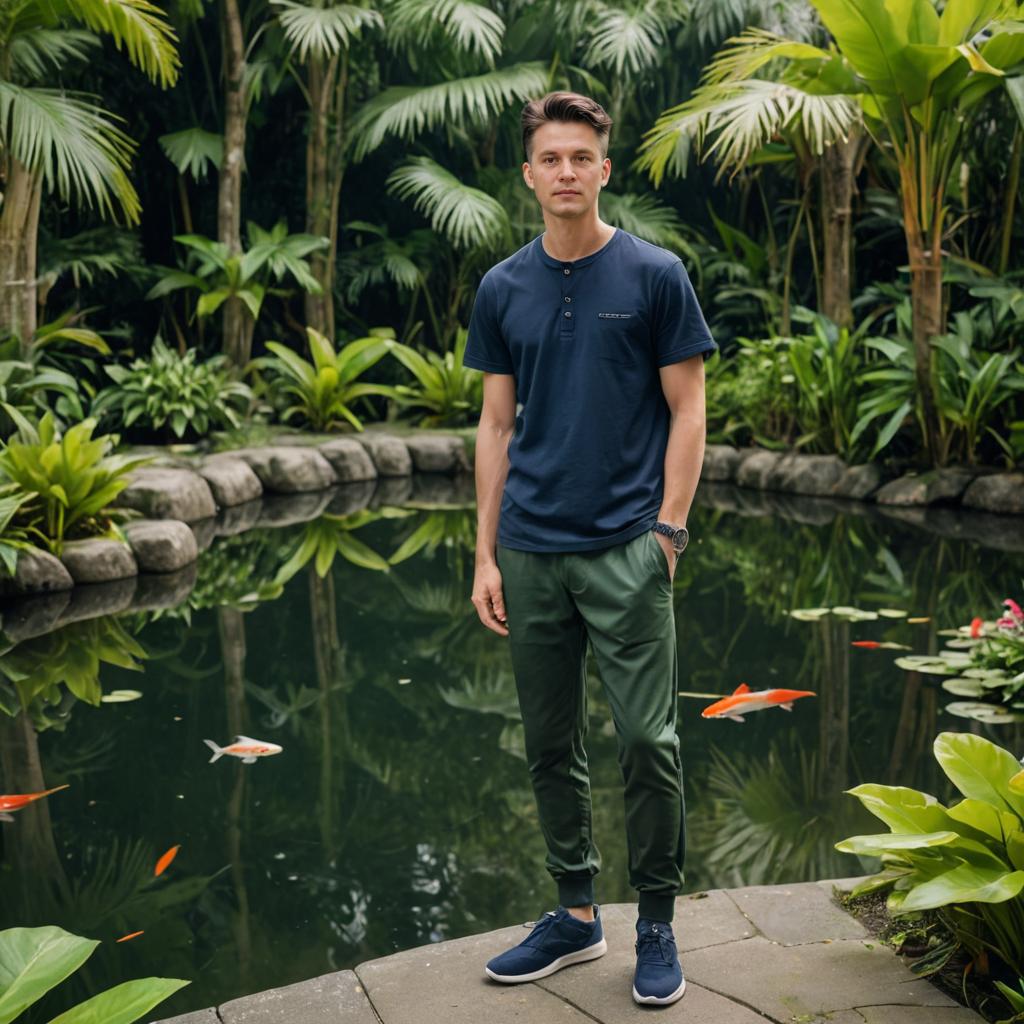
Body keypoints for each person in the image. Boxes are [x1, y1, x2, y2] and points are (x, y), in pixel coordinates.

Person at [464, 91, 716, 1007]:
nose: (567, 172)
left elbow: (689, 409)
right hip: (530, 550)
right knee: (549, 743)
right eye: (551, 158)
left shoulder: (655, 275)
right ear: (529, 175)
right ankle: (576, 915)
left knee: (649, 742)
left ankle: (655, 922)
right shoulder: (503, 288)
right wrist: (486, 555)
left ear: (605, 169)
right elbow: (496, 427)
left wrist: (669, 531)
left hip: (627, 548)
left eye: (582, 157)